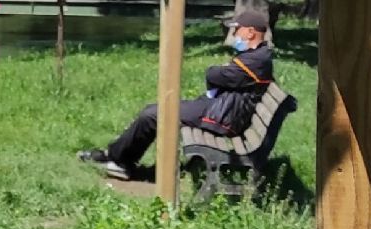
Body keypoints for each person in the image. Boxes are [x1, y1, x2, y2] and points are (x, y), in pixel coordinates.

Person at [79, 11, 277, 179]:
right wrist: (222, 72)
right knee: (154, 110)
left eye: (238, 29)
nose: (234, 33)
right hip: (223, 108)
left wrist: (219, 71)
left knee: (154, 113)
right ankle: (115, 155)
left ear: (251, 32)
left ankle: (121, 162)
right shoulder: (257, 56)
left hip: (225, 116)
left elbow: (215, 74)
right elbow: (224, 75)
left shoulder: (256, 59)